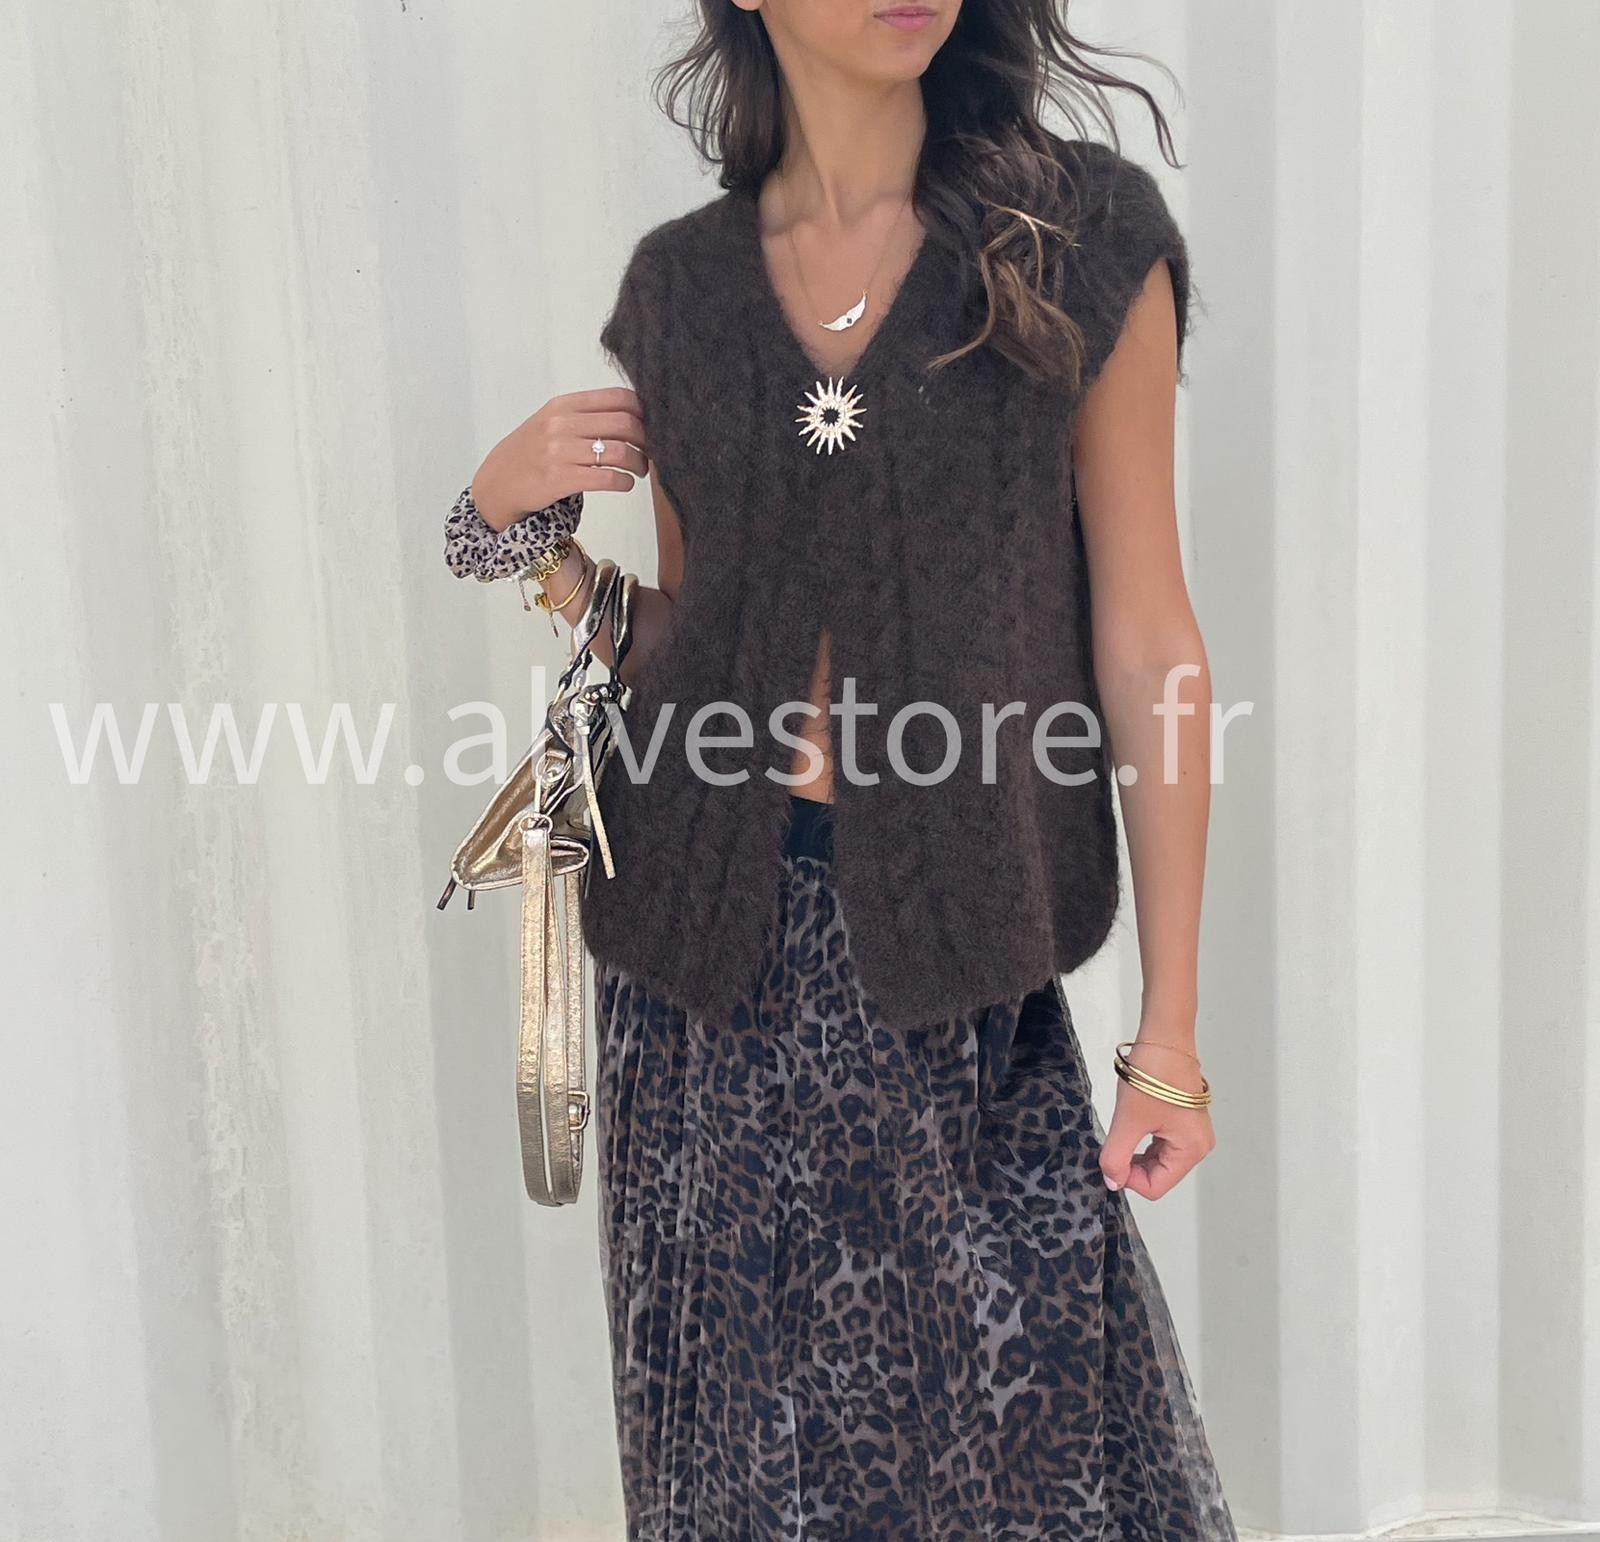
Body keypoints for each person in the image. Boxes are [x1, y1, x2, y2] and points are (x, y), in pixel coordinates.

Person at [449, 2, 1236, 1535]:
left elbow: (1150, 639)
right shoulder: (688, 288)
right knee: (740, 1483)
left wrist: (1173, 1029)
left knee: (1021, 1469)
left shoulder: (1074, 243)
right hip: (702, 989)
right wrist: (514, 532)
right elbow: (706, 652)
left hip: (952, 984)